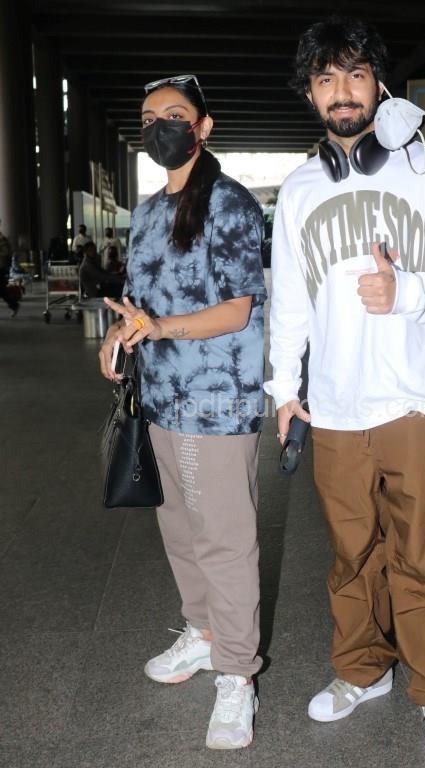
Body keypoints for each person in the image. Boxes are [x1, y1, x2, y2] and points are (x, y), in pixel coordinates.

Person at [264, 17, 425, 762]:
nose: (342, 91)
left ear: (379, 84)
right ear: (310, 93)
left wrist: (408, 291)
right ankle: (362, 673)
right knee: (352, 556)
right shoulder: (298, 191)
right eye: (325, 78)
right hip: (334, 407)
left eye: (355, 74)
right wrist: (284, 390)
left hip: (416, 401)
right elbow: (289, 302)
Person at [97, 73, 266, 751]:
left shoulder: (230, 204)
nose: (159, 126)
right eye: (148, 117)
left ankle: (238, 672)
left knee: (224, 537)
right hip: (161, 399)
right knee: (179, 530)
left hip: (216, 402)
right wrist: (119, 335)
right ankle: (203, 632)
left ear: (203, 126)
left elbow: (238, 309)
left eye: (174, 114)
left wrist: (162, 328)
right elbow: (139, 306)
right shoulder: (144, 215)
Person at [0, 220, 19, 317]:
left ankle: (14, 305)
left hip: (1, 268)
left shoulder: (1, 238)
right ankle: (14, 305)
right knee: (2, 290)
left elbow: (5, 252)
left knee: (2, 290)